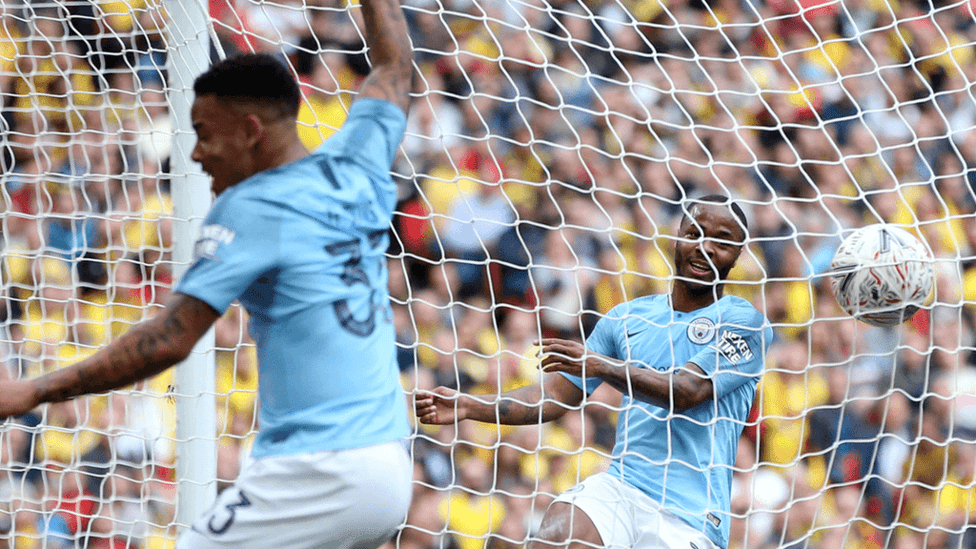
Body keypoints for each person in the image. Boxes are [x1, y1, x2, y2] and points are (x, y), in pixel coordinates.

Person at [0, 0, 415, 545]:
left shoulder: (252, 207)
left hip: (316, 469)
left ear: (249, 131)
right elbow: (394, 69)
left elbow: (171, 338)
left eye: (202, 131)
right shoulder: (357, 161)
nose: (195, 154)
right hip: (388, 466)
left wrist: (34, 391)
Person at [416, 195, 772, 549]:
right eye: (695, 233)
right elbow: (554, 395)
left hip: (691, 515)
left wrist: (599, 364)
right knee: (559, 529)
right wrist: (469, 407)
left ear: (738, 253)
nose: (705, 247)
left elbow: (687, 390)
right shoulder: (625, 318)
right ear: (676, 235)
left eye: (722, 241)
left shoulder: (745, 324)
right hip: (624, 486)